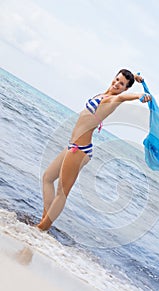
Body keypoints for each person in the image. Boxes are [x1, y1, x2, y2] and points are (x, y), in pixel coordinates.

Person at [37, 69, 151, 231]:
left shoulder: (113, 100)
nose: (117, 84)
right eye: (117, 79)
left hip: (80, 149)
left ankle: (41, 228)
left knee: (62, 192)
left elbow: (123, 97)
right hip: (72, 145)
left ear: (126, 88)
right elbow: (123, 81)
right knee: (47, 178)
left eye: (122, 84)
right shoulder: (103, 95)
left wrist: (139, 96)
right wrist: (135, 76)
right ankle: (43, 222)